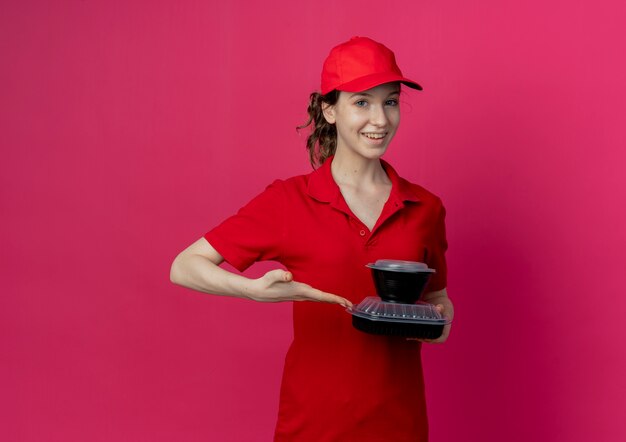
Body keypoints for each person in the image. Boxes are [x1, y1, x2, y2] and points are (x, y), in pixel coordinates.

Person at [170, 36, 454, 442]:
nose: (380, 119)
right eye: (362, 102)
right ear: (329, 108)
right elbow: (184, 266)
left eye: (390, 101)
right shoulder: (289, 200)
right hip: (314, 427)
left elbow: (439, 301)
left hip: (400, 425)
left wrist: (440, 322)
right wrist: (252, 291)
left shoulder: (425, 207)